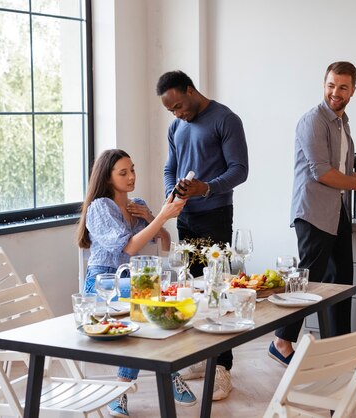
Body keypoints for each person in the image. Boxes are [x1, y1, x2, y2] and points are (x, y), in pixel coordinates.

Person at [269, 61, 356, 366]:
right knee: (307, 281)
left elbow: (340, 170)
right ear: (324, 84)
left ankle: (338, 348)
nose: (335, 92)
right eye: (330, 85)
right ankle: (281, 341)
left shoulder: (341, 123)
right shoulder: (313, 121)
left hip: (335, 210)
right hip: (312, 212)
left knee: (340, 281)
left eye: (342, 87)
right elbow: (322, 173)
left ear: (353, 90)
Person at [77, 149, 196, 417]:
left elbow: (164, 244)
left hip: (135, 281)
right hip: (104, 280)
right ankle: (135, 386)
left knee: (160, 315)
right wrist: (163, 216)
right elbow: (129, 248)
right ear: (108, 178)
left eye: (133, 169)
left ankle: (126, 390)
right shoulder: (100, 207)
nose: (131, 177)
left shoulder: (138, 203)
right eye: (123, 173)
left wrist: (154, 216)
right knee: (144, 319)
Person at [157, 70, 249, 401]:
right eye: (171, 110)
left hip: (215, 216)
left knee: (217, 292)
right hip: (185, 217)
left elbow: (240, 169)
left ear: (191, 91)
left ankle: (222, 368)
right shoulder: (176, 127)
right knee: (192, 292)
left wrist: (205, 188)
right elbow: (170, 167)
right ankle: (200, 359)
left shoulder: (226, 119)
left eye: (179, 106)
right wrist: (174, 191)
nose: (178, 114)